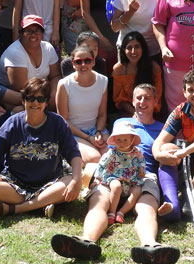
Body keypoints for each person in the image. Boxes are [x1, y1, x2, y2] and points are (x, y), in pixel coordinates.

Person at [51, 84, 180, 264]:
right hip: (114, 174)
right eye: (139, 98)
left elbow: (169, 154)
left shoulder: (162, 128)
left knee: (147, 208)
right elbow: (110, 153)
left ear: (156, 102)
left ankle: (150, 246)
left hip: (143, 176)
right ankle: (86, 241)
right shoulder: (121, 123)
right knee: (99, 202)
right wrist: (98, 176)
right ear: (133, 101)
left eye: (147, 98)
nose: (142, 102)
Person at [0, 77, 83, 217]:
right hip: (15, 182)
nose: (35, 103)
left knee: (70, 181)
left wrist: (77, 179)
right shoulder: (12, 123)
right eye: (30, 98)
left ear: (46, 102)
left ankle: (18, 208)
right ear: (23, 101)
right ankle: (43, 202)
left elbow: (73, 153)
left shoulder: (58, 122)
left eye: (41, 99)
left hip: (51, 181)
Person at [57, 44, 109, 163]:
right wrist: (88, 138)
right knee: (94, 158)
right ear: (73, 64)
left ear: (93, 62)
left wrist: (98, 132)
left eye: (87, 60)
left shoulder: (102, 80)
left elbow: (102, 114)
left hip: (95, 129)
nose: (83, 65)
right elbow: (64, 120)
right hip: (73, 132)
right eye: (78, 61)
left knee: (111, 156)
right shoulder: (64, 84)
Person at [94, 120, 146, 225]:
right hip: (114, 177)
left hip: (131, 180)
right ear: (114, 139)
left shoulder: (137, 152)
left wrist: (141, 168)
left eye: (125, 140)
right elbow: (101, 164)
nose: (121, 143)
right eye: (118, 140)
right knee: (116, 186)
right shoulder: (112, 153)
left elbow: (141, 161)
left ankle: (121, 212)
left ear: (132, 139)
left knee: (137, 191)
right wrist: (97, 177)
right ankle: (112, 212)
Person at [1, 15, 61, 93]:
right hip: (18, 95)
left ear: (42, 34)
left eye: (37, 31)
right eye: (28, 31)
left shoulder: (48, 48)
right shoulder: (15, 53)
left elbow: (55, 76)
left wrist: (53, 95)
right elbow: (21, 89)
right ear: (21, 33)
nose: (33, 34)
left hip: (42, 94)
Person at [112, 32, 163, 116]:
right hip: (128, 111)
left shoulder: (154, 68)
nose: (133, 51)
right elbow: (119, 100)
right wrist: (133, 112)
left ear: (143, 48)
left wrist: (144, 112)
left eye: (137, 47)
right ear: (124, 50)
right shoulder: (119, 69)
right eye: (129, 48)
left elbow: (157, 97)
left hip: (150, 111)